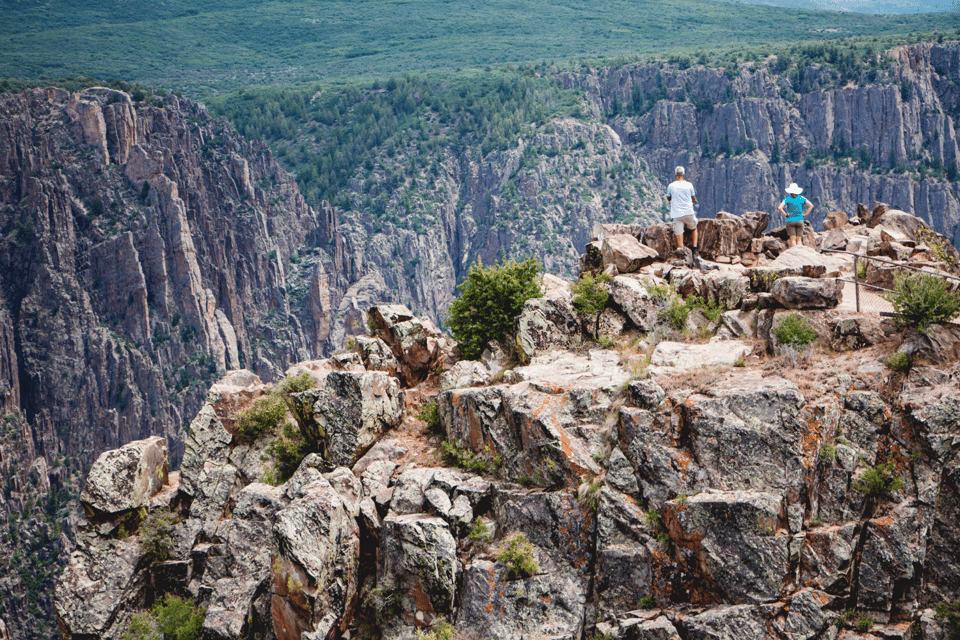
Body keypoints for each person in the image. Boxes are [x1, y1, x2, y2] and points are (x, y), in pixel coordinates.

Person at [666, 166, 697, 252]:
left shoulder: (671, 186)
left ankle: (681, 250)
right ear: (684, 174)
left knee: (679, 233)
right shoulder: (689, 185)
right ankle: (694, 247)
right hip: (688, 213)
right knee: (694, 228)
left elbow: (668, 198)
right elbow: (693, 198)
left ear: (675, 174)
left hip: (677, 214)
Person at [778, 183, 813, 249]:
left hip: (790, 220)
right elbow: (811, 205)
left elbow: (780, 207)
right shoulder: (802, 198)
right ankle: (799, 252)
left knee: (793, 239)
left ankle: (793, 253)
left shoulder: (787, 199)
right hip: (800, 220)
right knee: (799, 239)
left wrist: (785, 214)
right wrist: (805, 214)